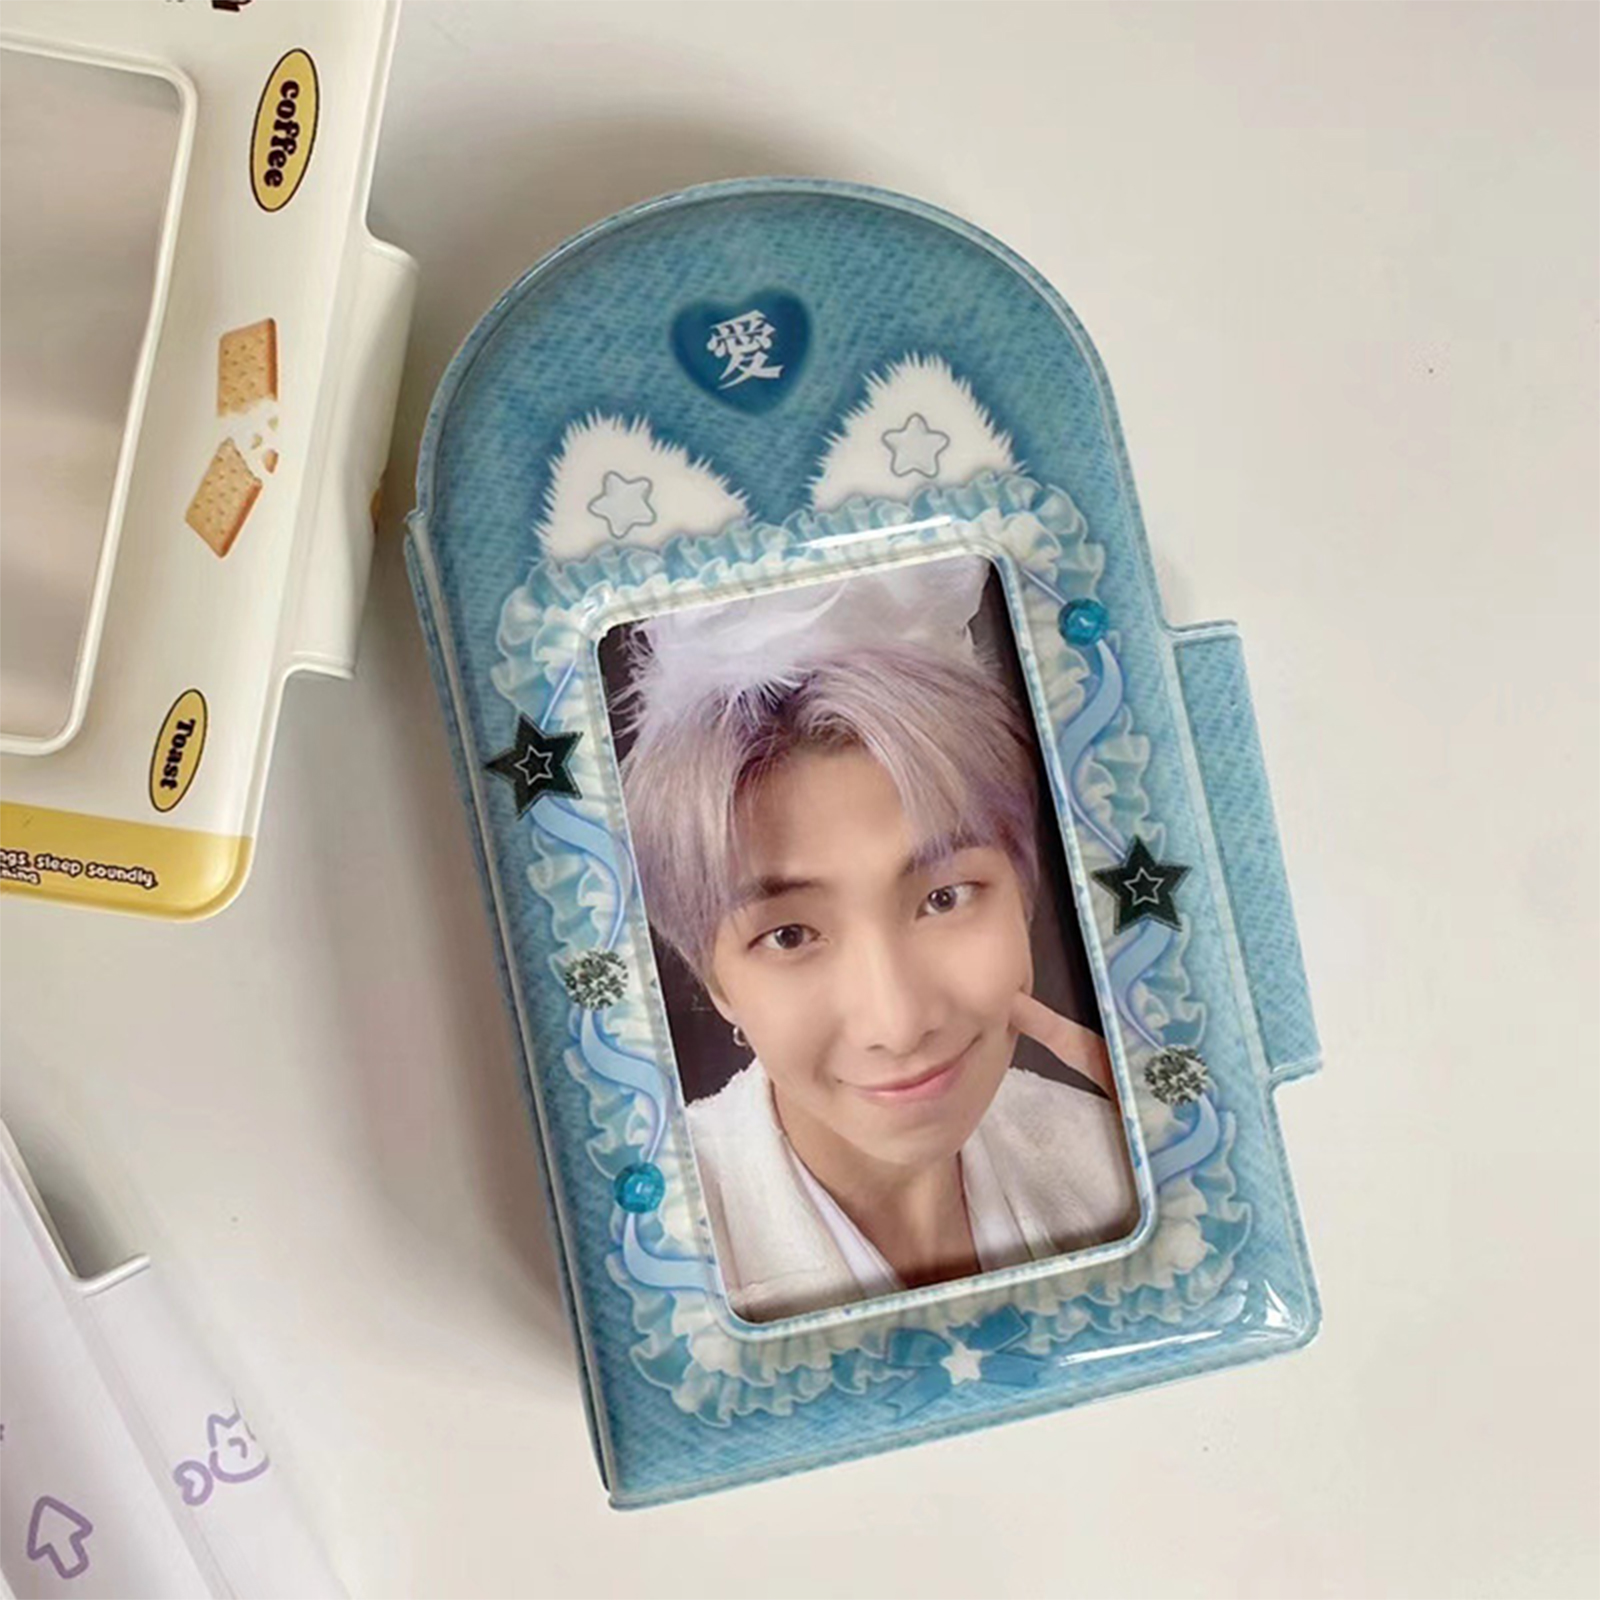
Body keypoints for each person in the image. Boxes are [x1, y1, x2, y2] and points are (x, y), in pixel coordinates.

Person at [618, 556, 1138, 1321]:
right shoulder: (648, 1247)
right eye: (790, 934)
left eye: (943, 898)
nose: (897, 1024)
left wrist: (1193, 1160)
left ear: (1023, 892)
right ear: (716, 980)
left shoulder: (1117, 1152)